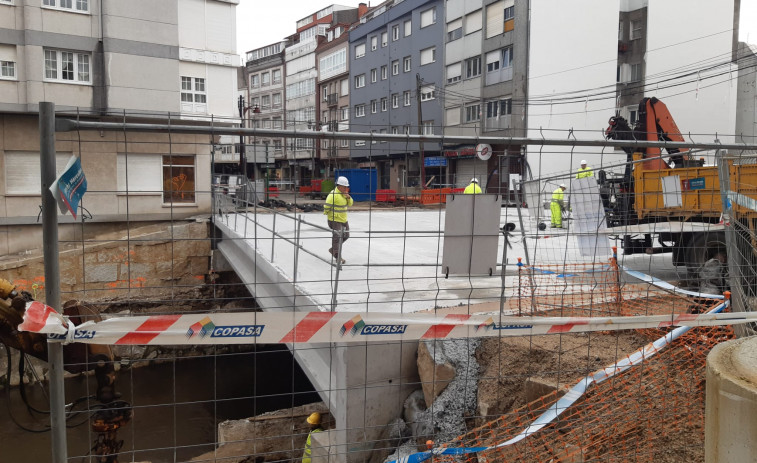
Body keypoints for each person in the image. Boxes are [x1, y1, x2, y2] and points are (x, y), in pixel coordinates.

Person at [324, 176, 353, 264]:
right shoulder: (333, 194)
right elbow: (326, 207)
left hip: (344, 219)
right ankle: (337, 256)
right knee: (337, 238)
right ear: (339, 186)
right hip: (334, 219)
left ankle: (333, 250)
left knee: (346, 235)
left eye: (346, 187)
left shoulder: (345, 194)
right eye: (344, 187)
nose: (346, 188)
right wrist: (329, 215)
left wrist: (348, 197)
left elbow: (351, 204)